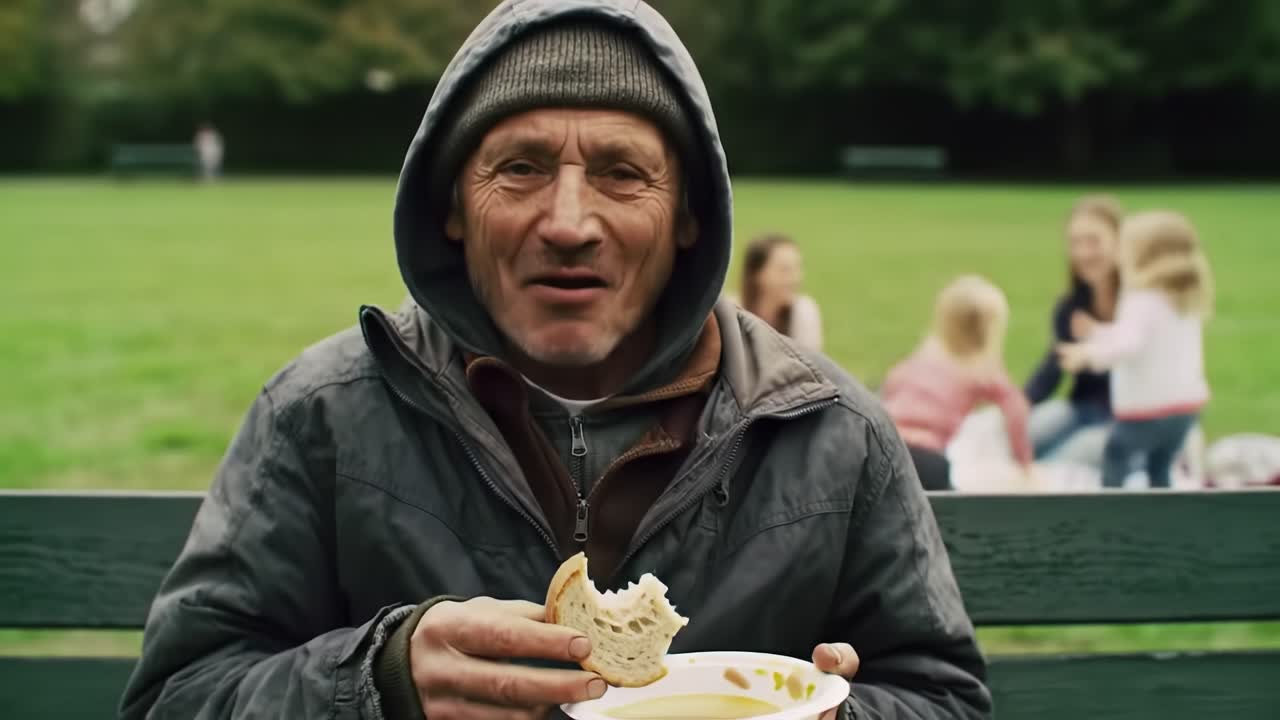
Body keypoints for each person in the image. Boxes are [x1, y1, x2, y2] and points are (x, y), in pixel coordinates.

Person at [119, 3, 990, 719]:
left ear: (689, 215)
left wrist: (838, 715)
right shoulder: (321, 415)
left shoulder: (830, 430)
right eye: (522, 167)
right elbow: (177, 696)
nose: (569, 221)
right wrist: (376, 684)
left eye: (621, 172)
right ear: (453, 206)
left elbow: (942, 697)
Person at [1058, 210, 1213, 489]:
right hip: (1187, 409)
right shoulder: (1182, 299)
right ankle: (1162, 510)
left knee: (1116, 455)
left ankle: (1112, 512)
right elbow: (1144, 337)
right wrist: (1097, 332)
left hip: (1148, 411)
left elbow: (1129, 344)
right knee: (1161, 463)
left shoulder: (1141, 298)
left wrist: (1088, 355)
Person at [881, 276, 1033, 491]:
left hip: (884, 446)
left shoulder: (925, 354)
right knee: (954, 513)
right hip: (926, 458)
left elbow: (891, 385)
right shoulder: (980, 369)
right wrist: (1025, 464)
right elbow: (1016, 410)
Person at [1023, 195, 1122, 467]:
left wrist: (1094, 347)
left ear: (1119, 242)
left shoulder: (1139, 306)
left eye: (1093, 241)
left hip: (1127, 420)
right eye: (1075, 243)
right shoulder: (1071, 306)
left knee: (1061, 463)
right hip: (1081, 409)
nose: (1083, 253)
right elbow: (1054, 365)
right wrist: (1018, 404)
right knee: (1019, 439)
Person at [730, 233, 824, 351]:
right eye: (784, 270)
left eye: (797, 268)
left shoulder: (803, 311)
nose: (795, 279)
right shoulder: (730, 312)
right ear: (758, 274)